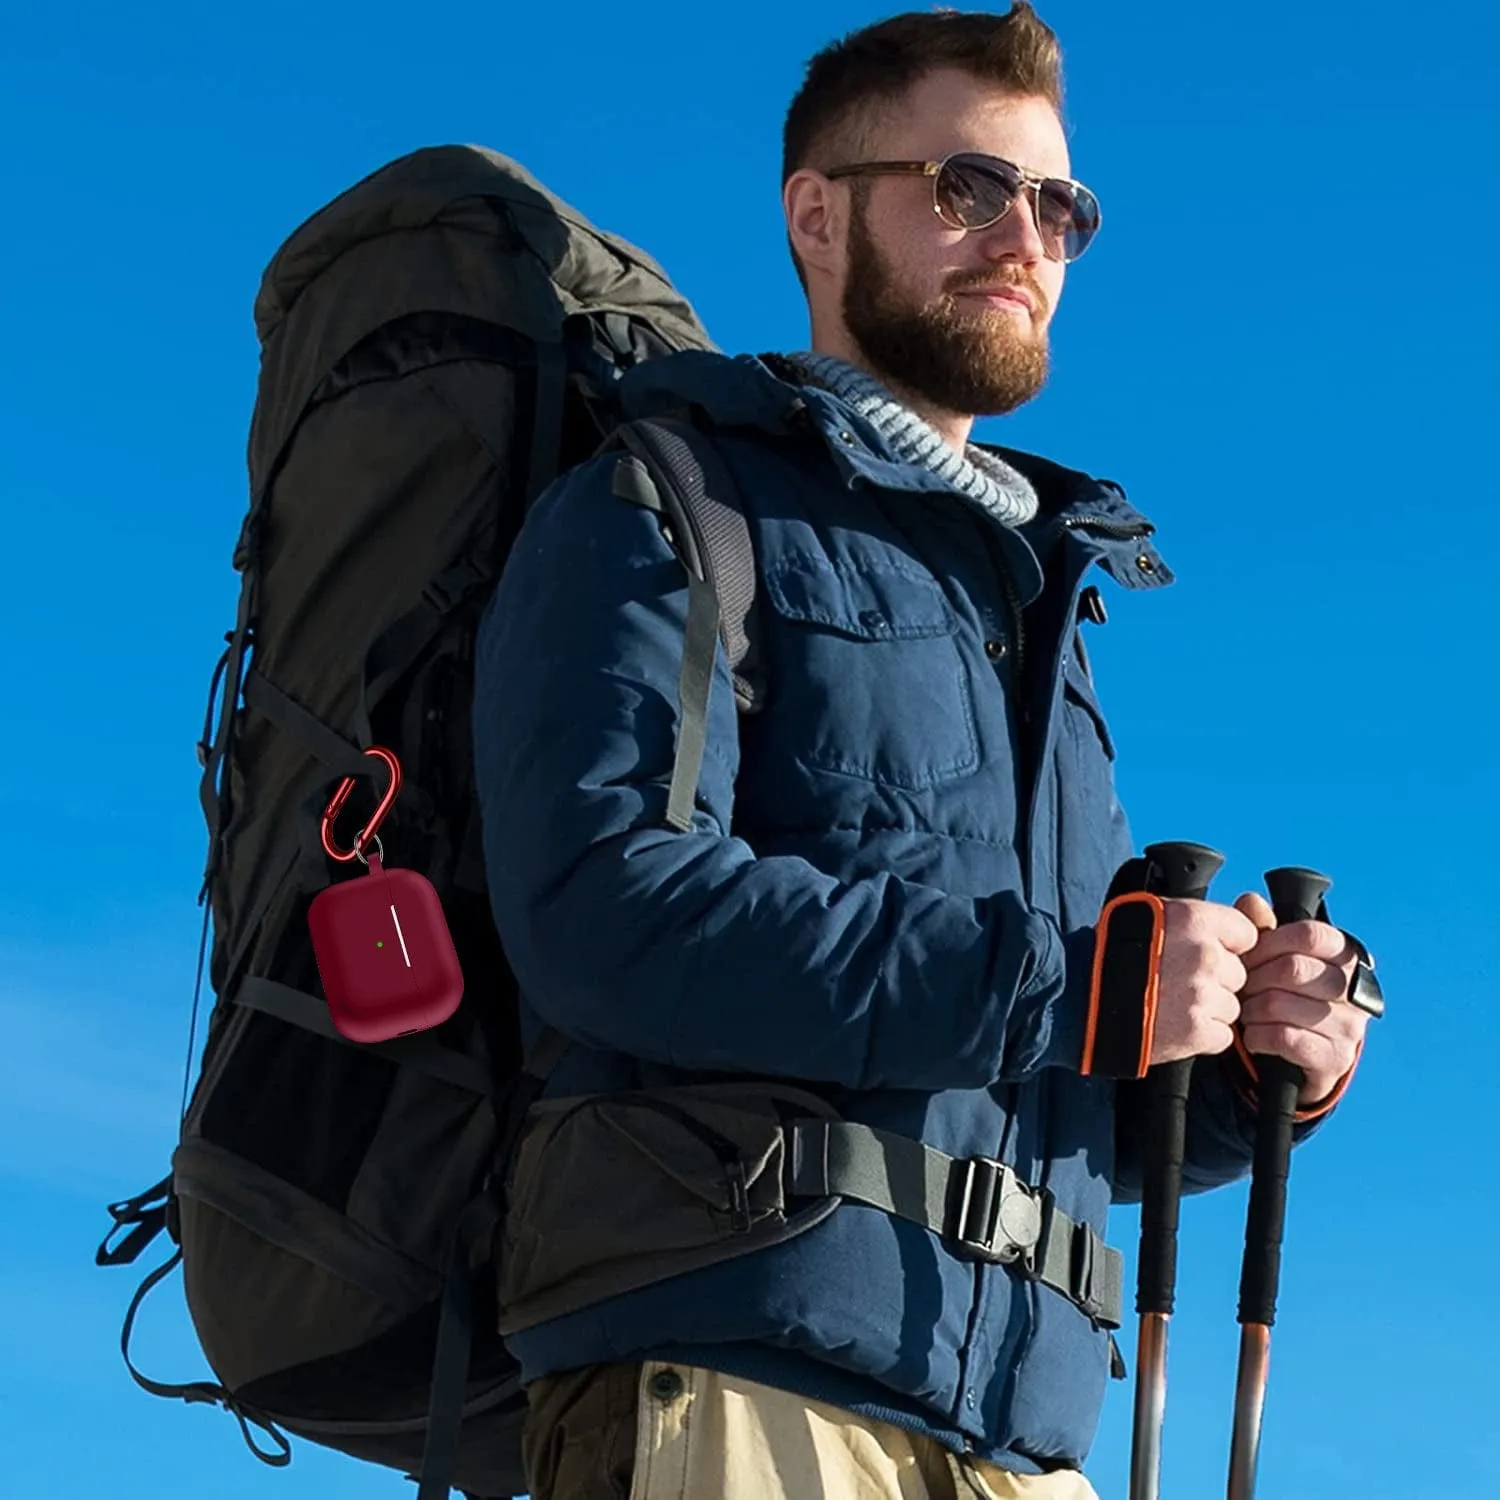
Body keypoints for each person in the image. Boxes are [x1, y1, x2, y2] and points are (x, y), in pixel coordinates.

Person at [472, 6, 1372, 1498]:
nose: (1027, 235)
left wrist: (1244, 1068)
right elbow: (602, 907)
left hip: (1023, 1435)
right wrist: (1067, 986)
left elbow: (1038, 1091)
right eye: (970, 187)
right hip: (745, 1375)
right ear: (818, 217)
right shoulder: (673, 506)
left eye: (1061, 206)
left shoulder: (1039, 616)